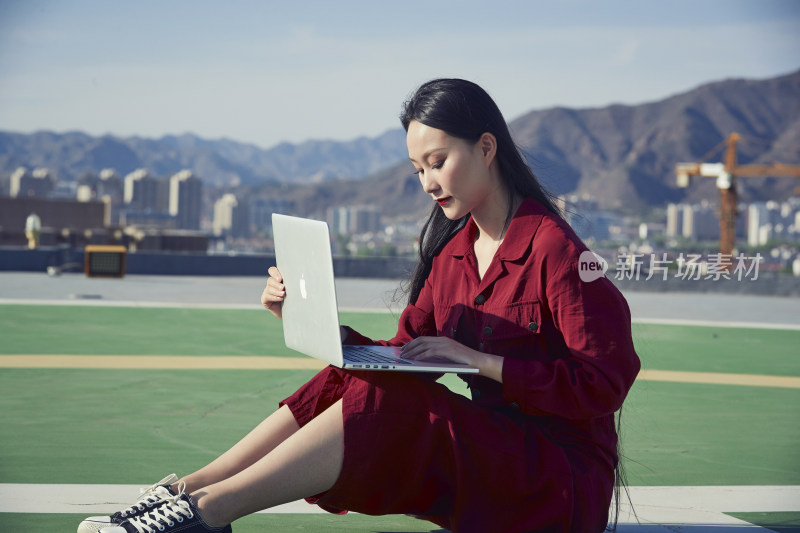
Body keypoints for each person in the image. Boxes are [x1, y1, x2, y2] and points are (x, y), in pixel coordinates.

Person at [78, 78, 640, 533]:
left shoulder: (556, 250)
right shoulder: (454, 255)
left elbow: (605, 382)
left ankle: (206, 514)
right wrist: (307, 318)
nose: (426, 182)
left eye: (437, 161)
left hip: (557, 478)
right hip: (495, 449)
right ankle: (193, 489)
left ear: (486, 148)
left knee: (383, 403)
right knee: (348, 379)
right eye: (418, 169)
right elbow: (396, 358)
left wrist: (481, 361)